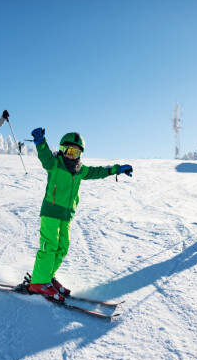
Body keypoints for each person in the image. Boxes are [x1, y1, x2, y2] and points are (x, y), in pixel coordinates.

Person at [27, 127, 133, 301]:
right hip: (51, 212)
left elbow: (99, 171)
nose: (70, 155)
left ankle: (48, 277)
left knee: (63, 247)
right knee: (49, 245)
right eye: (67, 150)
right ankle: (38, 282)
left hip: (67, 214)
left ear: (79, 154)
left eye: (75, 152)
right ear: (61, 149)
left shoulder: (80, 170)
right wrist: (40, 142)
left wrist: (117, 169)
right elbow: (44, 156)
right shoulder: (54, 164)